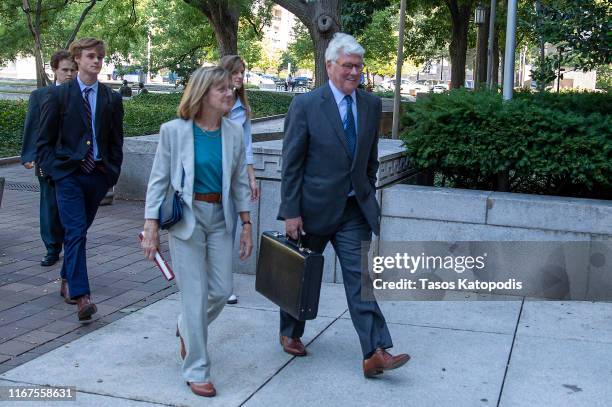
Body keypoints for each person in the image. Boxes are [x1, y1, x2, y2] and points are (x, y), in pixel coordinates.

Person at [277, 33, 410, 378]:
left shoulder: (369, 103)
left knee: (360, 278)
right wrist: (291, 211)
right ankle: (290, 331)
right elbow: (291, 164)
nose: (354, 72)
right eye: (348, 66)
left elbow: (369, 155)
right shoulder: (305, 105)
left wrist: (365, 186)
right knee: (301, 275)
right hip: (312, 211)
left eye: (358, 67)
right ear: (329, 65)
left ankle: (374, 351)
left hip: (354, 211)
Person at [141, 66, 253, 398]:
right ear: (203, 94)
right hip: (186, 218)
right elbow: (158, 180)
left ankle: (185, 328)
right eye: (221, 89)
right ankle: (197, 369)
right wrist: (150, 226)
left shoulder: (233, 132)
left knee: (220, 290)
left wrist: (246, 224)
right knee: (193, 294)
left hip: (219, 217)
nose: (229, 93)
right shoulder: (174, 131)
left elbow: (238, 184)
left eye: (229, 88)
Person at [37, 37, 124, 321]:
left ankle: (67, 278)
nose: (96, 61)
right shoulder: (60, 95)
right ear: (77, 59)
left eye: (99, 56)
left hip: (97, 176)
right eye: (90, 56)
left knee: (79, 231)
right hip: (69, 176)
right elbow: (44, 141)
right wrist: (55, 171)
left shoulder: (111, 97)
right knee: (75, 231)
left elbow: (115, 140)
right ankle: (82, 296)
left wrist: (111, 173)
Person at [21, 50, 76, 271]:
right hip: (47, 159)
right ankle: (52, 248)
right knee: (49, 205)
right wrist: (29, 155)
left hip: (74, 160)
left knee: (71, 207)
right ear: (54, 70)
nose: (69, 74)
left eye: (73, 70)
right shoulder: (40, 96)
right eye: (65, 70)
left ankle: (71, 246)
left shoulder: (82, 95)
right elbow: (32, 126)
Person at [219, 54, 260, 305]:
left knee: (231, 228)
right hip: (213, 174)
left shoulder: (242, 108)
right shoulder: (212, 102)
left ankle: (224, 284)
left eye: (242, 73)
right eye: (235, 72)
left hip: (236, 175)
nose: (239, 77)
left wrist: (252, 177)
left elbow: (247, 146)